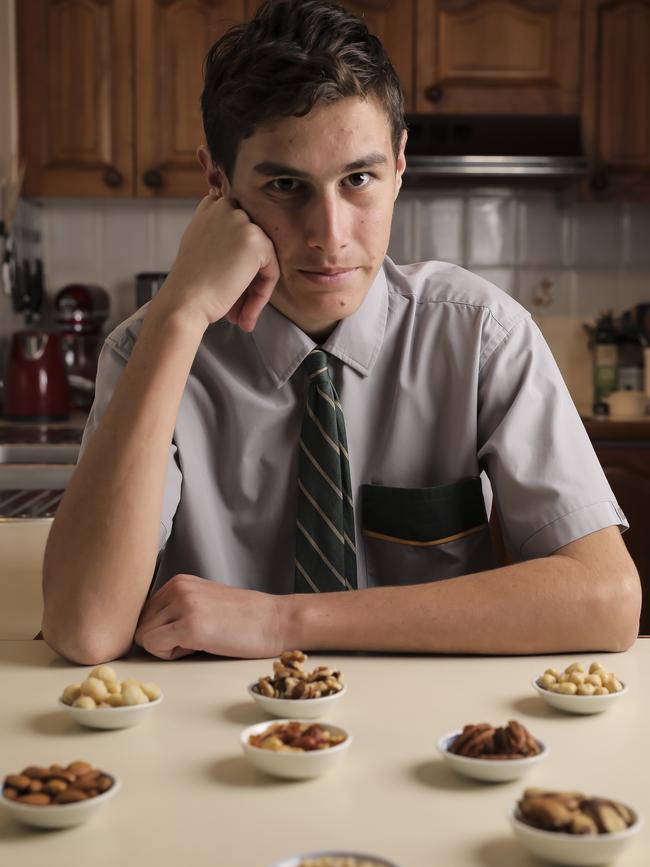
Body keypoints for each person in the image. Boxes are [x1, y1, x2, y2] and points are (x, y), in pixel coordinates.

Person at [42, 0, 641, 665]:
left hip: (427, 741)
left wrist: (284, 621)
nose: (330, 235)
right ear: (218, 182)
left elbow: (608, 597)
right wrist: (178, 313)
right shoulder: (149, 348)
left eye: (358, 179)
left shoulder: (482, 335)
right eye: (285, 186)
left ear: (400, 164)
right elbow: (84, 629)